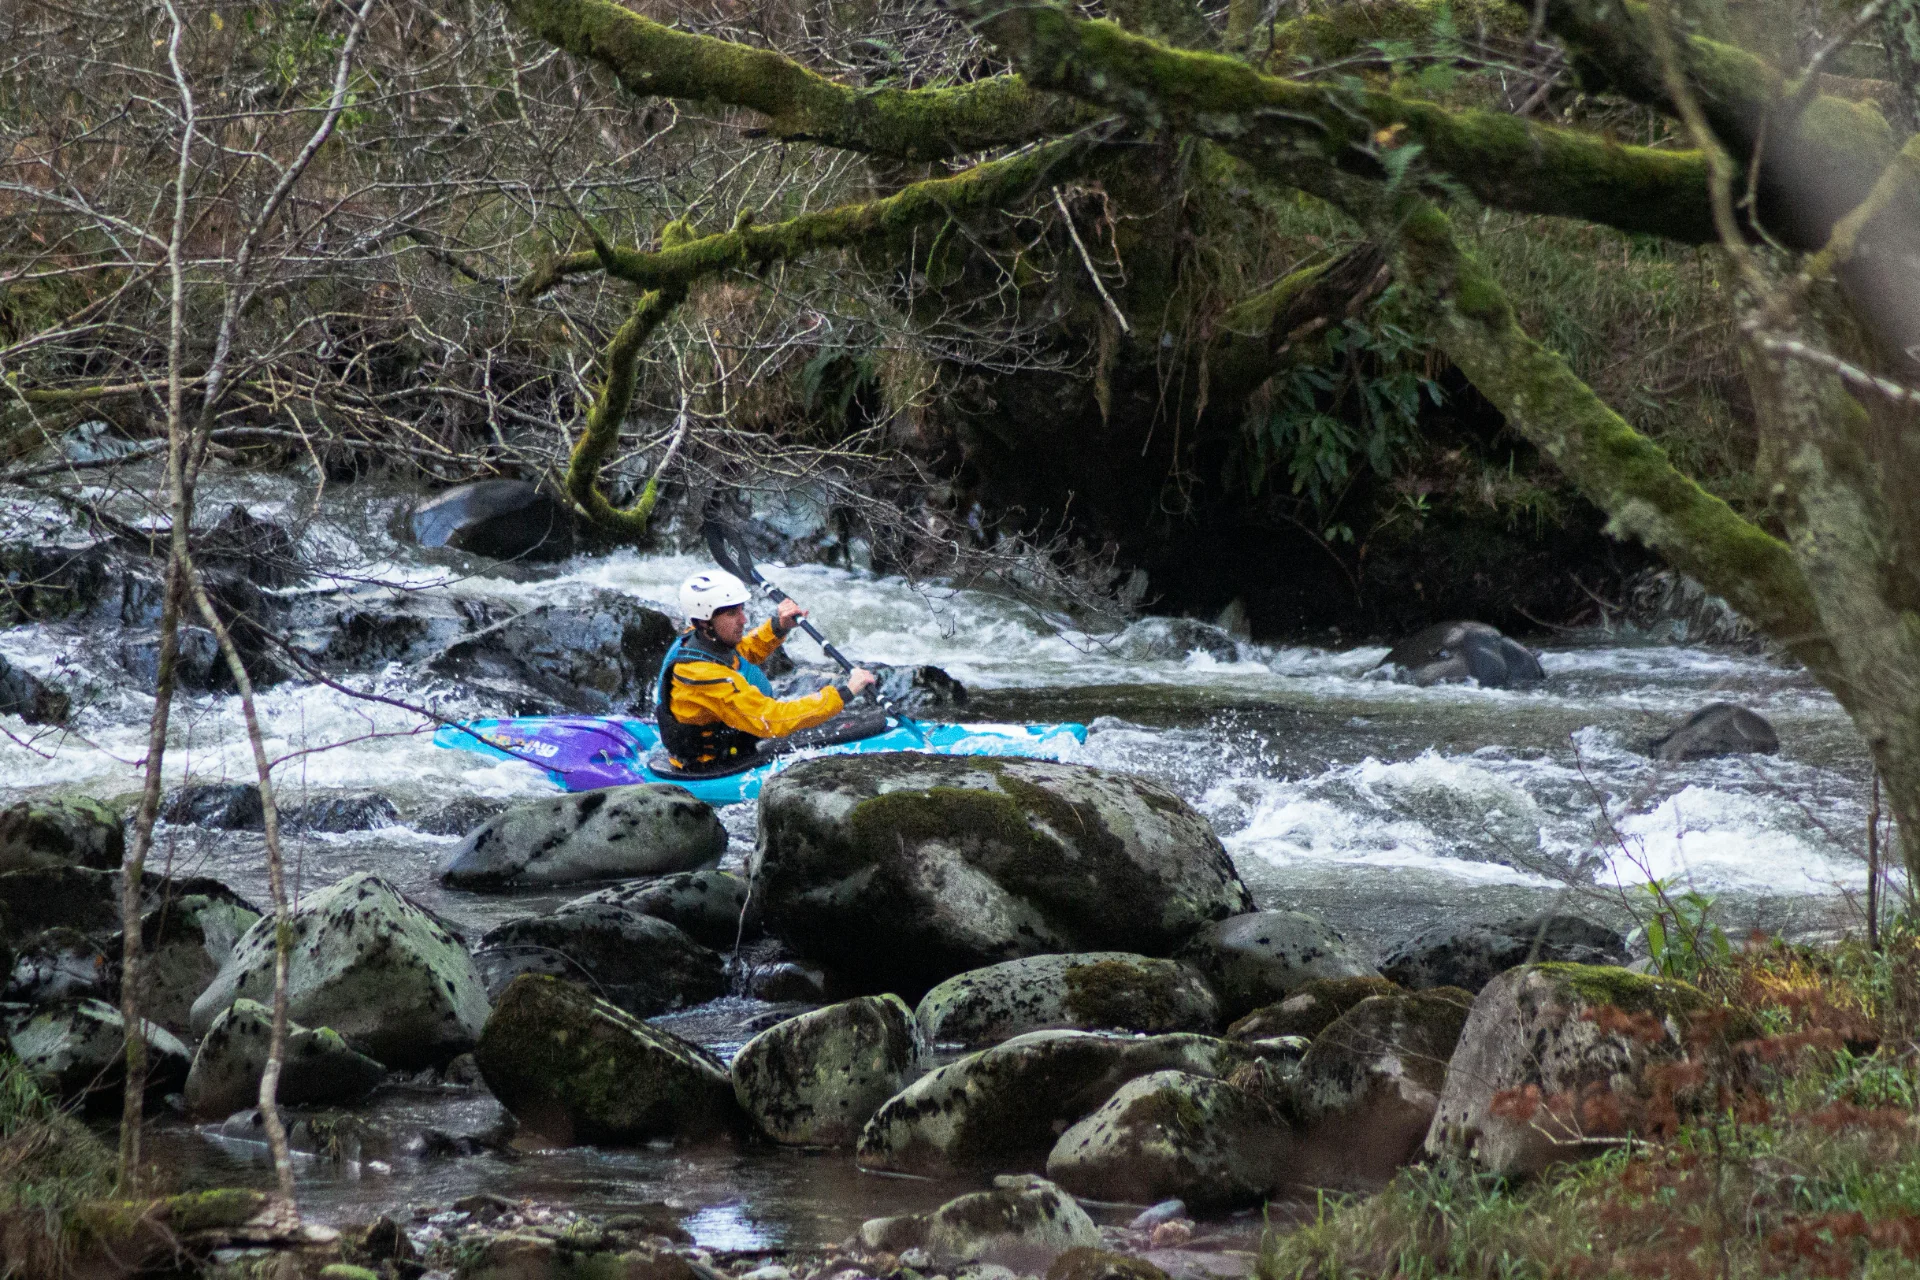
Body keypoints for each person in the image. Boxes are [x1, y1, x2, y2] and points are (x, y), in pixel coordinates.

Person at [656, 569, 878, 773]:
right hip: (711, 767)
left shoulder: (696, 640)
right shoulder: (703, 676)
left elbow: (740, 653)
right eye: (733, 613)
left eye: (742, 610)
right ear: (706, 623)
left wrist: (778, 626)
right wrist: (845, 693)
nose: (743, 620)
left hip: (726, 745)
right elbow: (772, 720)